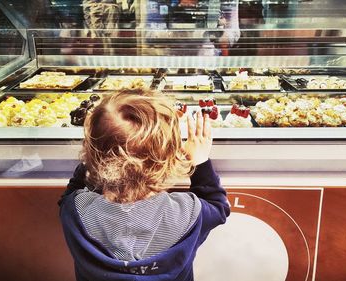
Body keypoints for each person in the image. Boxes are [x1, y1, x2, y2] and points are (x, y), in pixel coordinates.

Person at [58, 88, 230, 281]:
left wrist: (89, 162)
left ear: (93, 156)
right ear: (169, 159)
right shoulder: (186, 214)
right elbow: (218, 206)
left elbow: (68, 196)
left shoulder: (77, 211)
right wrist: (200, 161)